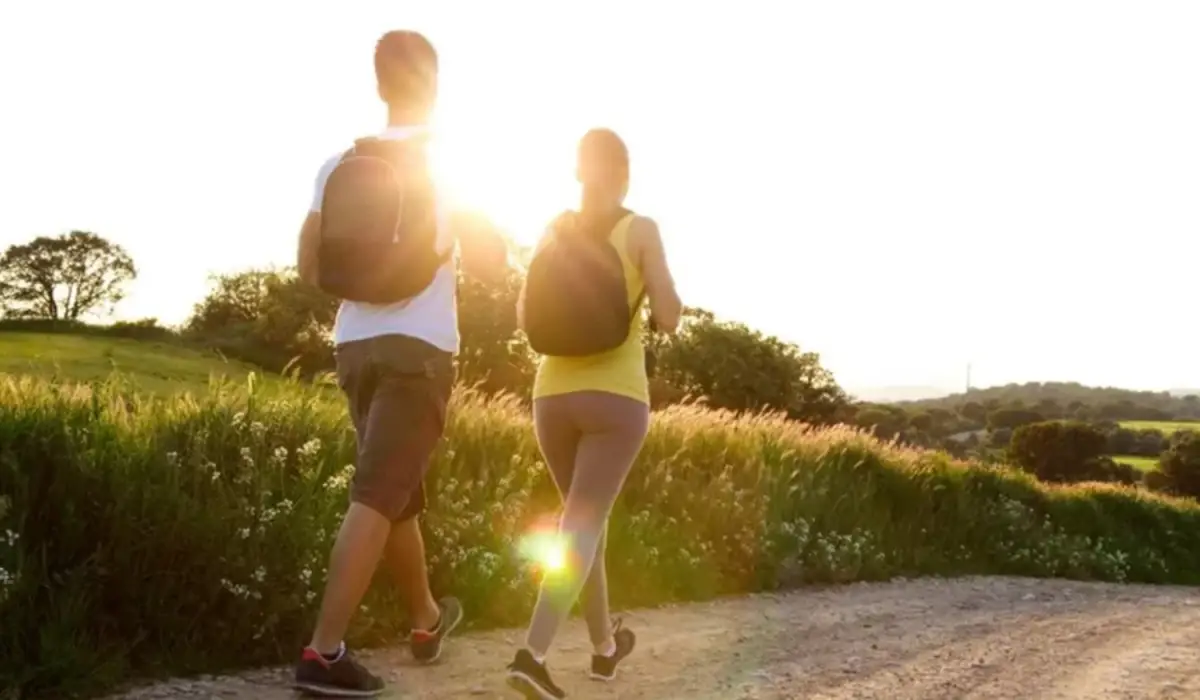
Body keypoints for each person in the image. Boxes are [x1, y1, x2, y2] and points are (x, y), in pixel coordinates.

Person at [292, 29, 507, 697]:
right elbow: (494, 267)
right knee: (379, 494)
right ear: (433, 87)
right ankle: (323, 654)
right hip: (419, 349)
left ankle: (425, 618)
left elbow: (308, 265)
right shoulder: (448, 169)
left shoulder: (338, 163)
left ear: (381, 86)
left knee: (396, 497)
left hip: (354, 345)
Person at [506, 128, 683, 699]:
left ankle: (605, 649)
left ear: (579, 172)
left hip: (550, 396)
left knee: (586, 525)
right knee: (580, 526)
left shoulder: (553, 228)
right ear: (625, 176)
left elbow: (524, 311)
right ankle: (530, 655)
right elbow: (670, 316)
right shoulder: (641, 229)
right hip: (615, 398)